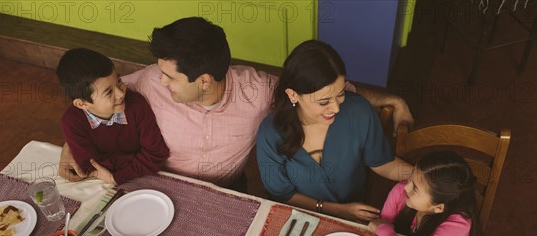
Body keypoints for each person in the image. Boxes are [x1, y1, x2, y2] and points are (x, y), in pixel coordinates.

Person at [58, 17, 413, 190]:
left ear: (205, 81)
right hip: (160, 184)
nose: (159, 79)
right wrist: (68, 148)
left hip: (229, 191)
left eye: (171, 76)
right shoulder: (150, 81)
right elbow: (95, 105)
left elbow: (317, 88)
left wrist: (389, 99)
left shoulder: (256, 90)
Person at [256, 40, 412, 223]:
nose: (336, 108)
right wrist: (337, 210)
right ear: (293, 95)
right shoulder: (271, 132)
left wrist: (423, 176)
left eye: (341, 94)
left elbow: (382, 162)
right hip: (298, 218)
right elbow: (283, 195)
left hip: (353, 218)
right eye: (324, 102)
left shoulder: (358, 110)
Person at [368, 150, 485, 236]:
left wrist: (384, 231)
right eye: (411, 177)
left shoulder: (458, 225)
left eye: (415, 188)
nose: (406, 187)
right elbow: (378, 234)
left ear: (438, 208)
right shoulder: (401, 191)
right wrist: (383, 230)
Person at [56, 48, 169, 185]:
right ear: (82, 104)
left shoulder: (136, 104)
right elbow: (90, 166)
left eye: (119, 81)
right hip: (110, 179)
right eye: (109, 92)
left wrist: (116, 176)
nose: (121, 94)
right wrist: (137, 159)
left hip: (140, 177)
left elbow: (157, 154)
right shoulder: (71, 123)